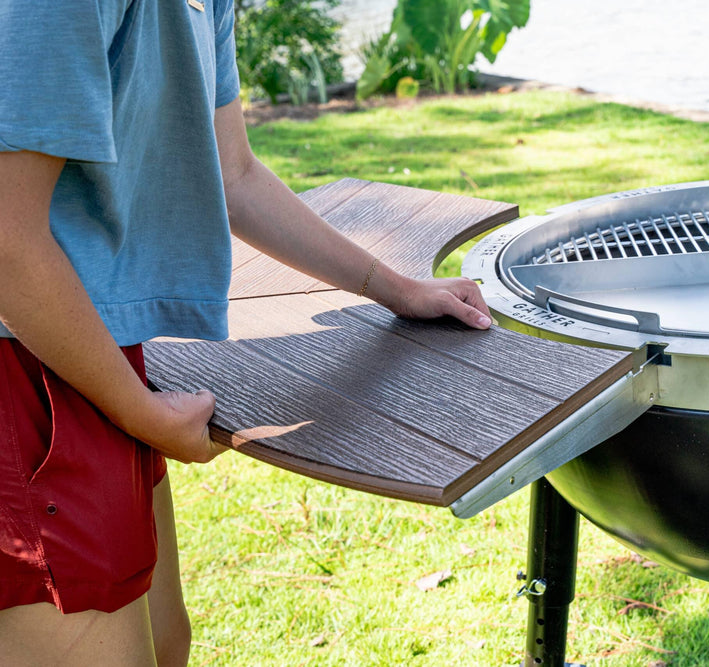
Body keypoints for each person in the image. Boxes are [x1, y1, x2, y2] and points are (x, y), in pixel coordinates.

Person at [0, 0, 492, 663]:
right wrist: (141, 411)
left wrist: (393, 286)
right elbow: (7, 238)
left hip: (87, 343)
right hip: (24, 362)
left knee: (167, 642)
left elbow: (235, 174)